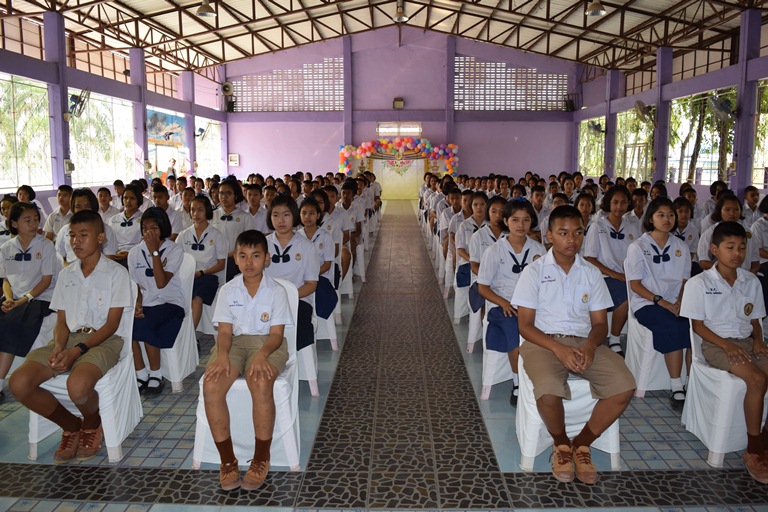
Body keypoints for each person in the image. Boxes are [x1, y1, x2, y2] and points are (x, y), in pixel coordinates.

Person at [512, 205, 635, 485]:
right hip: (543, 342)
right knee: (548, 391)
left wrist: (590, 345)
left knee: (624, 385)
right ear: (549, 236)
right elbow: (525, 326)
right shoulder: (534, 272)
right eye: (563, 233)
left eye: (578, 233)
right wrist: (558, 349)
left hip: (583, 342)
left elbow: (600, 324)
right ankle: (560, 444)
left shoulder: (591, 273)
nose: (572, 240)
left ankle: (580, 445)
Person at [9, 210, 131, 462]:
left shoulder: (116, 273)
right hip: (69, 339)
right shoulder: (66, 275)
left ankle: (92, 422)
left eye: (83, 235)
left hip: (103, 340)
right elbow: (62, 321)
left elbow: (112, 325)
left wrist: (77, 351)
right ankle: (71, 425)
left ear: (100, 238)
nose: (76, 241)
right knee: (19, 382)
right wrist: (60, 346)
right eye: (72, 235)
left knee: (77, 387)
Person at [680, 221, 768, 484]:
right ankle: (754, 450)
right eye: (730, 247)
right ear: (715, 249)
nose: (737, 253)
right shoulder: (699, 283)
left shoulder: (751, 281)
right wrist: (727, 346)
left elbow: (755, 320)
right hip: (716, 345)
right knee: (757, 380)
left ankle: (764, 438)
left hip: (746, 341)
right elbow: (698, 326)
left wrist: (758, 341)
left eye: (742, 247)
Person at [203, 229, 292, 490]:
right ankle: (227, 461)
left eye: (256, 255)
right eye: (243, 256)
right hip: (233, 343)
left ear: (266, 258)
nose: (249, 262)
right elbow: (225, 332)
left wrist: (262, 355)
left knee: (260, 381)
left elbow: (276, 335)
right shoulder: (228, 290)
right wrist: (221, 356)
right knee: (211, 385)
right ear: (235, 258)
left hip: (267, 344)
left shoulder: (276, 291)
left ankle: (261, 458)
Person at [477, 199, 545, 406]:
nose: (520, 225)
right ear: (505, 221)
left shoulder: (539, 249)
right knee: (515, 329)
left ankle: (544, 377)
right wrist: (504, 303)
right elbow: (482, 287)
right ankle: (517, 382)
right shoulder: (494, 251)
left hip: (533, 306)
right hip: (504, 306)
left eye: (526, 220)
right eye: (515, 220)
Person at [625, 197, 691, 409]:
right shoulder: (638, 247)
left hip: (675, 303)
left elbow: (685, 282)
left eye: (671, 215)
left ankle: (692, 382)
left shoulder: (681, 246)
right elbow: (635, 285)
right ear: (651, 218)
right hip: (647, 303)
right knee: (673, 325)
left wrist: (680, 302)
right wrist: (662, 303)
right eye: (661, 215)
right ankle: (676, 385)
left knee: (694, 326)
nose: (667, 219)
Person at [0, 202, 59, 402]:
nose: (34, 224)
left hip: (40, 298)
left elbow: (46, 281)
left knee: (10, 323)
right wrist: (9, 298)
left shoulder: (45, 245)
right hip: (15, 299)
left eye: (35, 219)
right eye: (28, 220)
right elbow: (6, 280)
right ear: (14, 223)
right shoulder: (7, 248)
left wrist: (23, 300)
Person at [129, 207, 185, 396]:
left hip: (170, 302)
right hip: (146, 302)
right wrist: (137, 303)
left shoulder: (174, 249)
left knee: (146, 323)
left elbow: (161, 282)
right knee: (125, 323)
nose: (148, 233)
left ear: (163, 228)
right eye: (145, 229)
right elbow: (135, 284)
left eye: (153, 228)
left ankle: (156, 374)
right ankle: (141, 373)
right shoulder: (134, 252)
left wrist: (154, 253)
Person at [584, 185, 640, 355]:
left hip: (626, 276)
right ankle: (614, 338)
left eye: (623, 202)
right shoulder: (597, 226)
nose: (619, 207)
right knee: (626, 296)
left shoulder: (632, 226)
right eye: (615, 202)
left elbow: (637, 256)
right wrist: (615, 274)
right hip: (603, 277)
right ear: (608, 203)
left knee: (638, 290)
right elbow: (590, 258)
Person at [265, 195, 319, 359]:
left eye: (286, 215)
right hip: (267, 299)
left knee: (299, 321)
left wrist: (289, 296)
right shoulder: (263, 244)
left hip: (298, 299)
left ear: (294, 216)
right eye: (276, 215)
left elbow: (311, 284)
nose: (281, 220)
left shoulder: (307, 246)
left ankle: (290, 360)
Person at [177, 195, 227, 330]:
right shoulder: (183, 235)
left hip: (208, 276)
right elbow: (176, 260)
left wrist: (201, 273)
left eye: (200, 210)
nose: (196, 214)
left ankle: (190, 335)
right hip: (188, 276)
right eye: (193, 210)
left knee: (197, 298)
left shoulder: (217, 235)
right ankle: (178, 332)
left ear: (207, 211)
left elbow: (221, 264)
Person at [56, 188, 118, 264]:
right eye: (78, 206)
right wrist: (69, 270)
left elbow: (109, 260)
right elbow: (59, 258)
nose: (83, 210)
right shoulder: (65, 230)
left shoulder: (106, 230)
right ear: (73, 209)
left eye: (87, 206)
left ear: (94, 208)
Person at [210, 179, 255, 282]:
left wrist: (230, 254)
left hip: (234, 260)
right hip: (213, 259)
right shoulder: (212, 215)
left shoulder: (245, 217)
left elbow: (248, 243)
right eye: (221, 193)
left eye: (228, 193)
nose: (224, 197)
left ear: (236, 196)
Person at [108, 184, 144, 267]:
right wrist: (113, 253)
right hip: (115, 255)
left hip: (137, 256)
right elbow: (108, 240)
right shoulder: (114, 219)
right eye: (125, 198)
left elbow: (145, 242)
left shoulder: (144, 219)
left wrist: (130, 253)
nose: (128, 201)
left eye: (132, 198)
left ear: (138, 199)